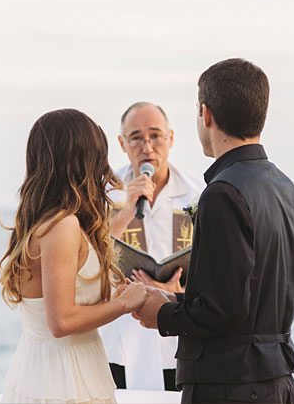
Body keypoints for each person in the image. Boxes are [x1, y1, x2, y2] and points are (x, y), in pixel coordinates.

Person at [133, 59, 294, 404]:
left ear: (207, 114)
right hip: (277, 380)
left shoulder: (223, 193)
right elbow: (248, 300)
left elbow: (224, 311)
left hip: (229, 386)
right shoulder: (288, 190)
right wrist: (172, 298)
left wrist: (162, 315)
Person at [0, 109, 149, 404]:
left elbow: (87, 251)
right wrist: (124, 303)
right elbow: (62, 322)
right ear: (83, 160)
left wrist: (129, 212)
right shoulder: (62, 227)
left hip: (48, 368)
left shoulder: (49, 220)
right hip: (63, 378)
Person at [100, 102, 204, 391]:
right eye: (136, 137)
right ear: (122, 143)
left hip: (178, 336)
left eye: (155, 136)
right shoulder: (104, 194)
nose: (147, 147)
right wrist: (125, 212)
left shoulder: (200, 195)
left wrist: (178, 290)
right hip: (119, 336)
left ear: (171, 138)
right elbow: (85, 256)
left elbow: (217, 265)